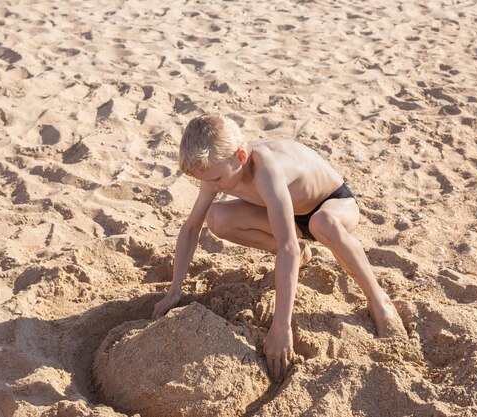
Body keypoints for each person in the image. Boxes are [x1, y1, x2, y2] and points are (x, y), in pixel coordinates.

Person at [152, 114, 406, 382]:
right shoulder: (217, 168)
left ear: (240, 156)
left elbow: (288, 248)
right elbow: (192, 228)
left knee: (323, 224)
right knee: (217, 217)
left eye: (216, 179)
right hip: (287, 217)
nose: (211, 186)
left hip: (332, 206)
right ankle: (305, 251)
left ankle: (380, 301)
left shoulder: (267, 171)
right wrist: (174, 289)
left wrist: (281, 326)